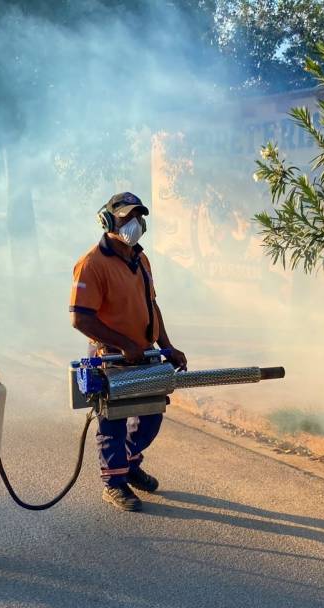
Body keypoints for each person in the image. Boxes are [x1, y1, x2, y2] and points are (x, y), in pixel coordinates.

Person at [70, 192, 187, 512]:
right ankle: (114, 482)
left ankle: (129, 463)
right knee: (113, 420)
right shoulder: (91, 263)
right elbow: (80, 318)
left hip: (144, 353)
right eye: (126, 217)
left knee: (151, 413)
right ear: (107, 221)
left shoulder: (141, 259)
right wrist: (124, 345)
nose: (135, 224)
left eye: (139, 217)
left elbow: (152, 305)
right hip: (110, 356)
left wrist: (167, 346)